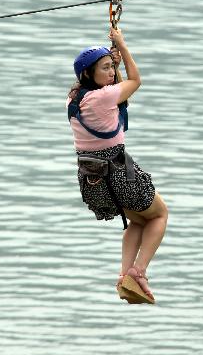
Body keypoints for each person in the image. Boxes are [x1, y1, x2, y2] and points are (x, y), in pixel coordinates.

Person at [67, 27, 168, 303]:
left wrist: (114, 63)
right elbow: (135, 82)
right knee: (159, 216)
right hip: (119, 173)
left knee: (137, 222)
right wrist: (121, 45)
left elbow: (119, 95)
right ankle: (140, 272)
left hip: (92, 180)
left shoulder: (76, 99)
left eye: (112, 68)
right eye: (105, 68)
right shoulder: (105, 96)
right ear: (89, 73)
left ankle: (125, 277)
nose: (111, 73)